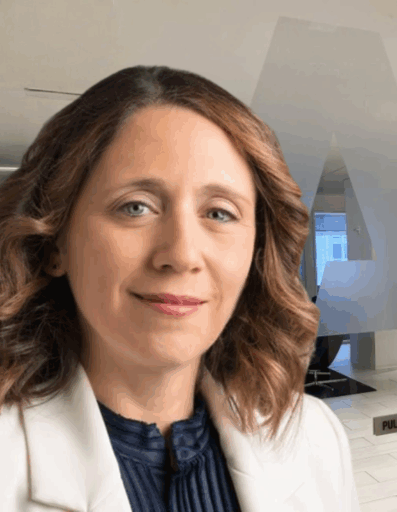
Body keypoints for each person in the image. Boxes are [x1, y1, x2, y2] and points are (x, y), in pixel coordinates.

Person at [0, 66, 360, 511]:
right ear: (55, 241)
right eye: (136, 207)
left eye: (219, 213)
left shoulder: (316, 439)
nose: (183, 254)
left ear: (255, 252)